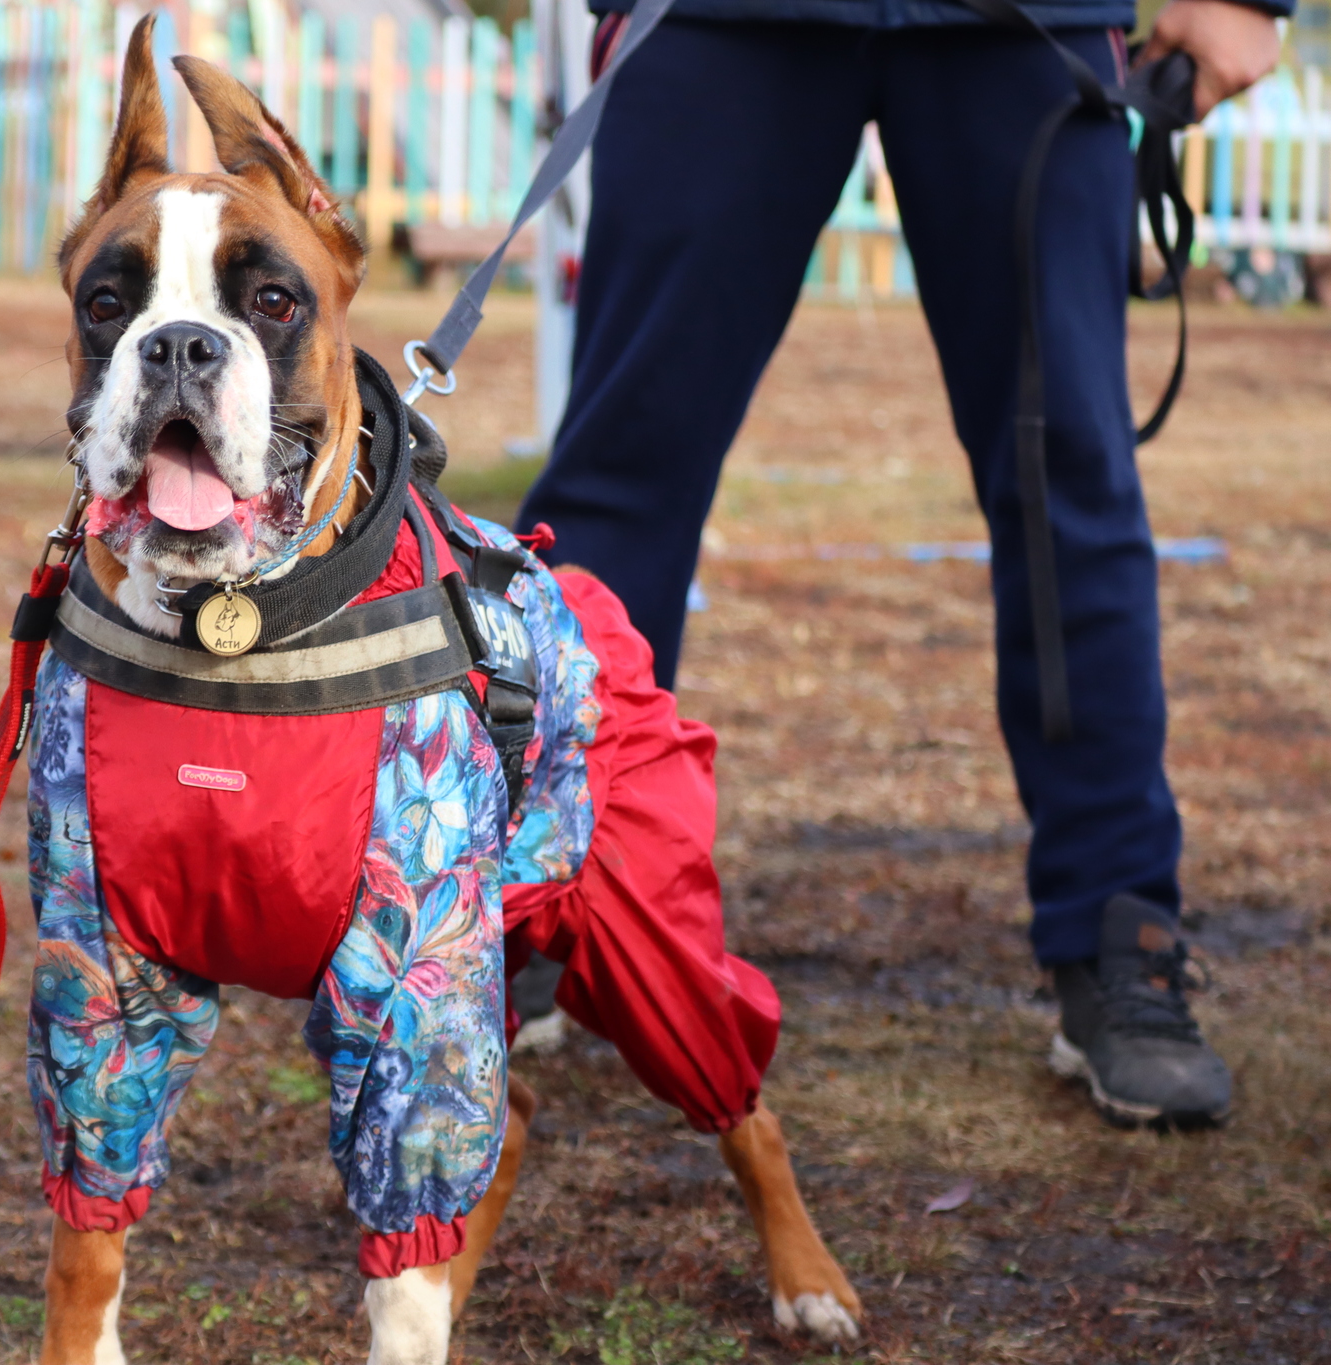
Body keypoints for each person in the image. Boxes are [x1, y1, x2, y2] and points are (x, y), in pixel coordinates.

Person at [516, 0, 1285, 1130]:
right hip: (725, 16)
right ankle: (530, 894)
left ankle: (1116, 927)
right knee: (619, 477)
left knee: (1065, 475)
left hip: (1024, 22)